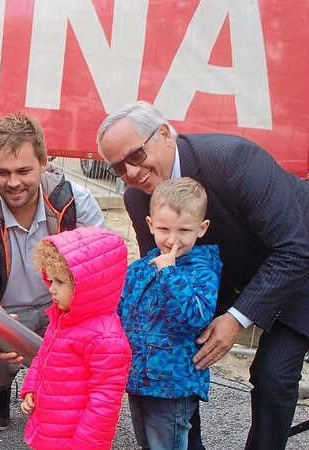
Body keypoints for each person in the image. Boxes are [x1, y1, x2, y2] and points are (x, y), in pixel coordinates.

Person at [97, 100, 309, 450]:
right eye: (118, 167)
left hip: (300, 260)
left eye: (135, 155)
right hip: (228, 272)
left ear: (164, 134)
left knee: (272, 374)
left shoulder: (233, 160)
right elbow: (163, 269)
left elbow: (294, 249)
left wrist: (236, 319)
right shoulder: (138, 199)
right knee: (183, 349)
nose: (131, 172)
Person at [0, 112, 106, 431]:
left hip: (65, 309)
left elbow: (100, 280)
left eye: (24, 170)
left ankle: (66, 393)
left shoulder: (76, 203)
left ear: (44, 162)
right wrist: (4, 338)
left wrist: (75, 335)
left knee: (105, 337)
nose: (13, 182)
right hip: (9, 312)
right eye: (2, 172)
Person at [118, 177, 222, 450]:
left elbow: (194, 318)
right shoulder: (140, 267)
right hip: (139, 378)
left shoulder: (202, 271)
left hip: (174, 385)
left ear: (201, 229)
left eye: (184, 230)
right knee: (146, 441)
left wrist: (169, 273)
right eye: (163, 228)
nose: (172, 240)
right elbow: (123, 312)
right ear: (150, 224)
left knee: (167, 444)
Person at [20, 226, 131, 450]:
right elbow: (43, 355)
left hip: (74, 440)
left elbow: (104, 404)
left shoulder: (106, 339)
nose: (51, 289)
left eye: (60, 282)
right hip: (51, 427)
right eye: (50, 280)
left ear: (91, 285)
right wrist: (31, 388)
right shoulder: (63, 318)